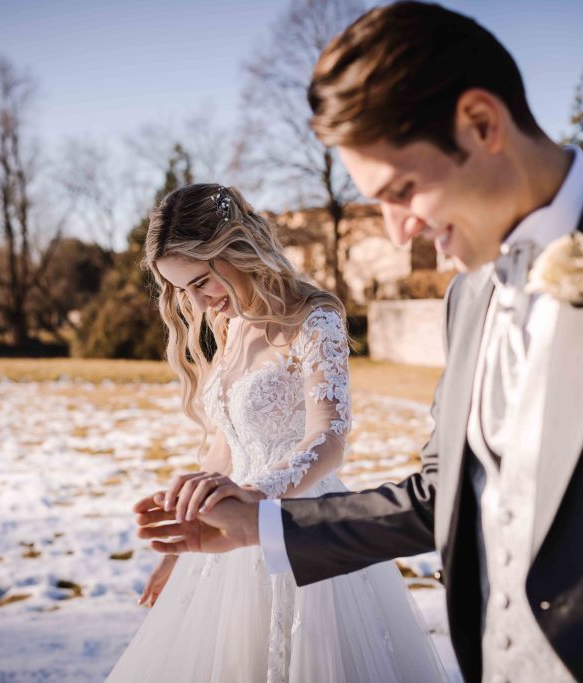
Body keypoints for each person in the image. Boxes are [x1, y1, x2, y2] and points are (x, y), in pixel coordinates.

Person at [135, 3, 583, 681]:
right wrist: (259, 525)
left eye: (403, 188)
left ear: (481, 122)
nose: (396, 230)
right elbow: (441, 495)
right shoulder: (468, 297)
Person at [107, 183, 447, 682]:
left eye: (202, 281)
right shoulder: (231, 325)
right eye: (182, 290)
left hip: (302, 526)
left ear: (236, 250)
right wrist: (180, 543)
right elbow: (227, 446)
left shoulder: (316, 318)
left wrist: (256, 499)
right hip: (229, 540)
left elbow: (328, 438)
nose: (197, 301)